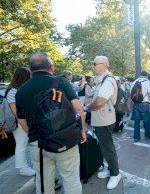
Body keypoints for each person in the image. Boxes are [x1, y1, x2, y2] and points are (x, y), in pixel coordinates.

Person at [15, 51, 86, 194]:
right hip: (66, 139)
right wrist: (82, 130)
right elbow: (79, 109)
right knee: (71, 179)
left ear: (30, 70)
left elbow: (22, 122)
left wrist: (36, 135)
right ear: (51, 67)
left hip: (38, 142)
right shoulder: (61, 82)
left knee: (43, 180)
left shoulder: (21, 91)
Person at [86, 56, 122, 190]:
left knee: (107, 147)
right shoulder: (102, 79)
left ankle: (115, 173)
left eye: (95, 63)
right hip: (101, 118)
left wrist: (87, 107)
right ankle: (110, 167)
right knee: (104, 146)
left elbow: (100, 102)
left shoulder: (108, 80)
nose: (93, 65)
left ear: (104, 65)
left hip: (104, 119)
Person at [5, 67, 35, 176]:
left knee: (22, 143)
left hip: (22, 121)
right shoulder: (13, 91)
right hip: (19, 122)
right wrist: (23, 124)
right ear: (23, 77)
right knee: (21, 144)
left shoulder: (16, 89)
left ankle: (24, 167)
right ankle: (23, 168)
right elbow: (15, 111)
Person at [131, 71, 150, 142]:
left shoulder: (134, 82)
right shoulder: (148, 82)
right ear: (146, 76)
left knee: (137, 122)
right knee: (146, 121)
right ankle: (147, 136)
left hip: (136, 104)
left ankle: (136, 137)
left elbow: (130, 94)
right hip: (145, 104)